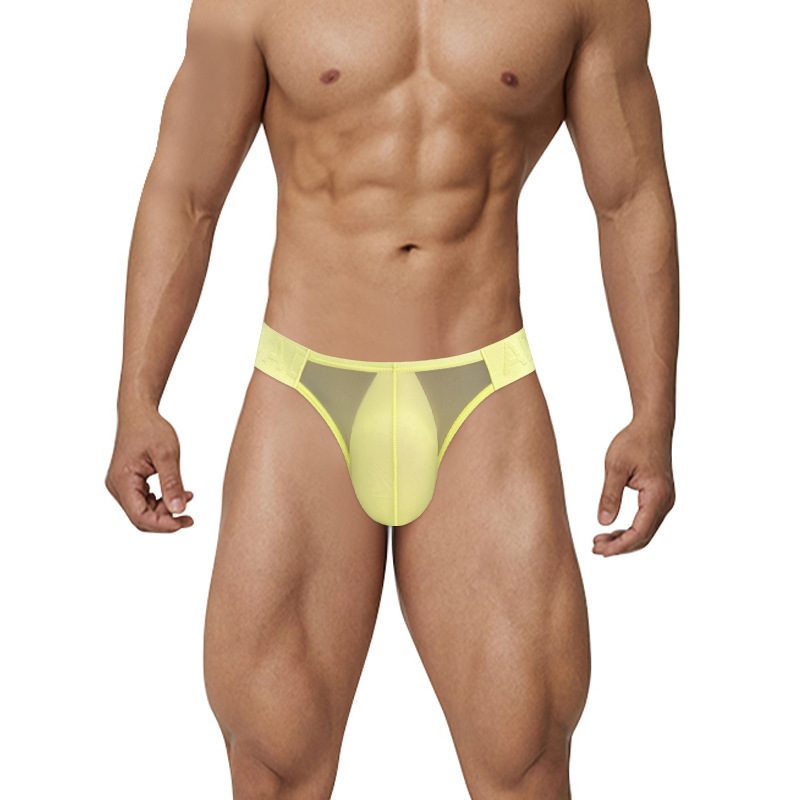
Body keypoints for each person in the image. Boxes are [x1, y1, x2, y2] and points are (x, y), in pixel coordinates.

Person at [105, 0, 678, 795]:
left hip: (482, 388)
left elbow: (629, 197)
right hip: (305, 389)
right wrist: (138, 397)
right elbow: (187, 192)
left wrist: (653, 414)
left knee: (526, 759)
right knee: (273, 763)